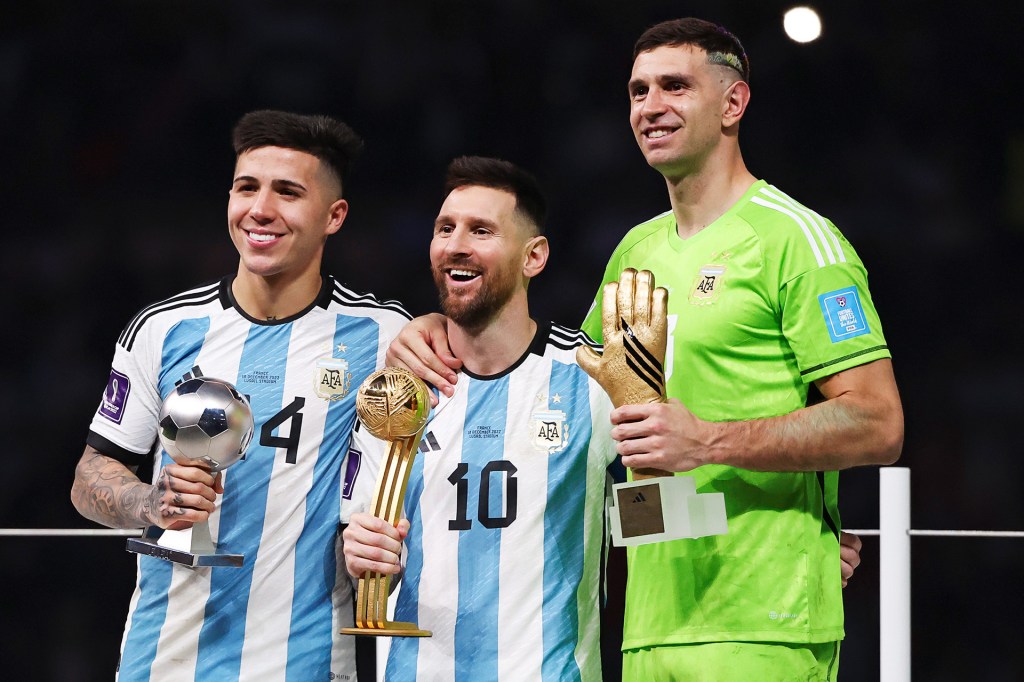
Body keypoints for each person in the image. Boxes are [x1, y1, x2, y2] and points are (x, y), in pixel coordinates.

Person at [385, 18, 901, 681]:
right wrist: (440, 325)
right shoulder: (637, 252)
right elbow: (584, 411)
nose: (651, 106)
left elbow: (878, 423)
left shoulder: (798, 242)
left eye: (676, 86)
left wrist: (728, 458)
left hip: (764, 623)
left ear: (733, 103)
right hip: (649, 627)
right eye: (638, 91)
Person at [70, 110, 410, 682]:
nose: (260, 209)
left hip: (308, 664)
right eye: (246, 187)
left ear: (335, 216)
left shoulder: (385, 338)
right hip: (163, 660)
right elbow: (89, 477)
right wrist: (150, 503)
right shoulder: (163, 329)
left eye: (288, 192)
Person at [342, 156, 616, 681]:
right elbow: (356, 527)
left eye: (481, 230)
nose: (456, 244)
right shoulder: (397, 390)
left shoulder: (591, 379)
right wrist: (358, 547)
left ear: (534, 257)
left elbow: (666, 499)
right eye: (445, 228)